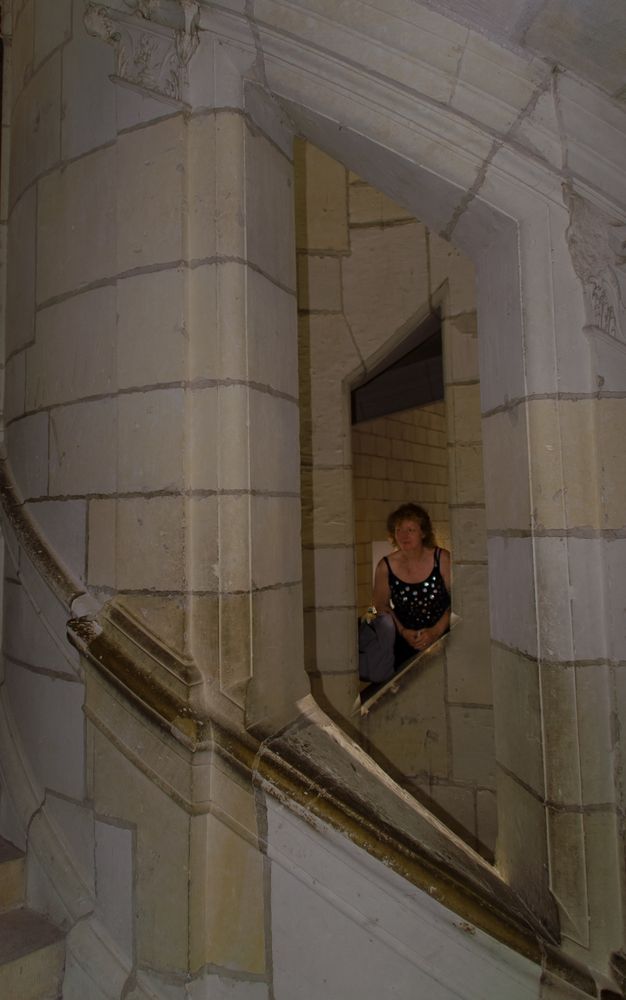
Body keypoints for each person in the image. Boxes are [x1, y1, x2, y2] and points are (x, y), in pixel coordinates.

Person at [359, 503, 451, 683]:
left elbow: (458, 601)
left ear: (423, 533)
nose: (403, 535)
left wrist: (435, 631)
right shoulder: (385, 565)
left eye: (410, 530)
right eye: (399, 530)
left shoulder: (442, 558)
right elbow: (380, 606)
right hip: (405, 634)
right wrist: (403, 632)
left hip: (442, 631)